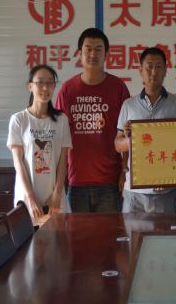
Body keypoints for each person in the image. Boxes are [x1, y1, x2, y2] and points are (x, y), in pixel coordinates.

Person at [55, 28, 130, 213]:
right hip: (76, 182)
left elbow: (128, 134)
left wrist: (124, 171)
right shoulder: (67, 90)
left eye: (98, 49)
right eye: (88, 49)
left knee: (109, 232)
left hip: (110, 183)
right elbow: (58, 137)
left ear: (106, 54)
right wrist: (59, 179)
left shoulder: (118, 88)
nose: (93, 54)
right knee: (79, 232)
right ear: (79, 53)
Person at [114, 47, 176, 213]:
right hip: (133, 192)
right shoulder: (129, 105)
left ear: (165, 70)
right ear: (140, 71)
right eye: (149, 67)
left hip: (165, 192)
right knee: (131, 231)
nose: (154, 72)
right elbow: (118, 144)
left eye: (158, 66)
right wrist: (131, 139)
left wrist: (170, 177)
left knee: (165, 231)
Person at [7, 64, 71, 221]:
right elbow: (18, 162)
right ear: (30, 86)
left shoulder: (61, 120)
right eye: (40, 82)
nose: (45, 87)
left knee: (58, 237)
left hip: (54, 199)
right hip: (27, 199)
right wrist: (30, 197)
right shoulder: (19, 120)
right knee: (29, 237)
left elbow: (63, 161)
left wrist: (57, 194)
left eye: (50, 83)